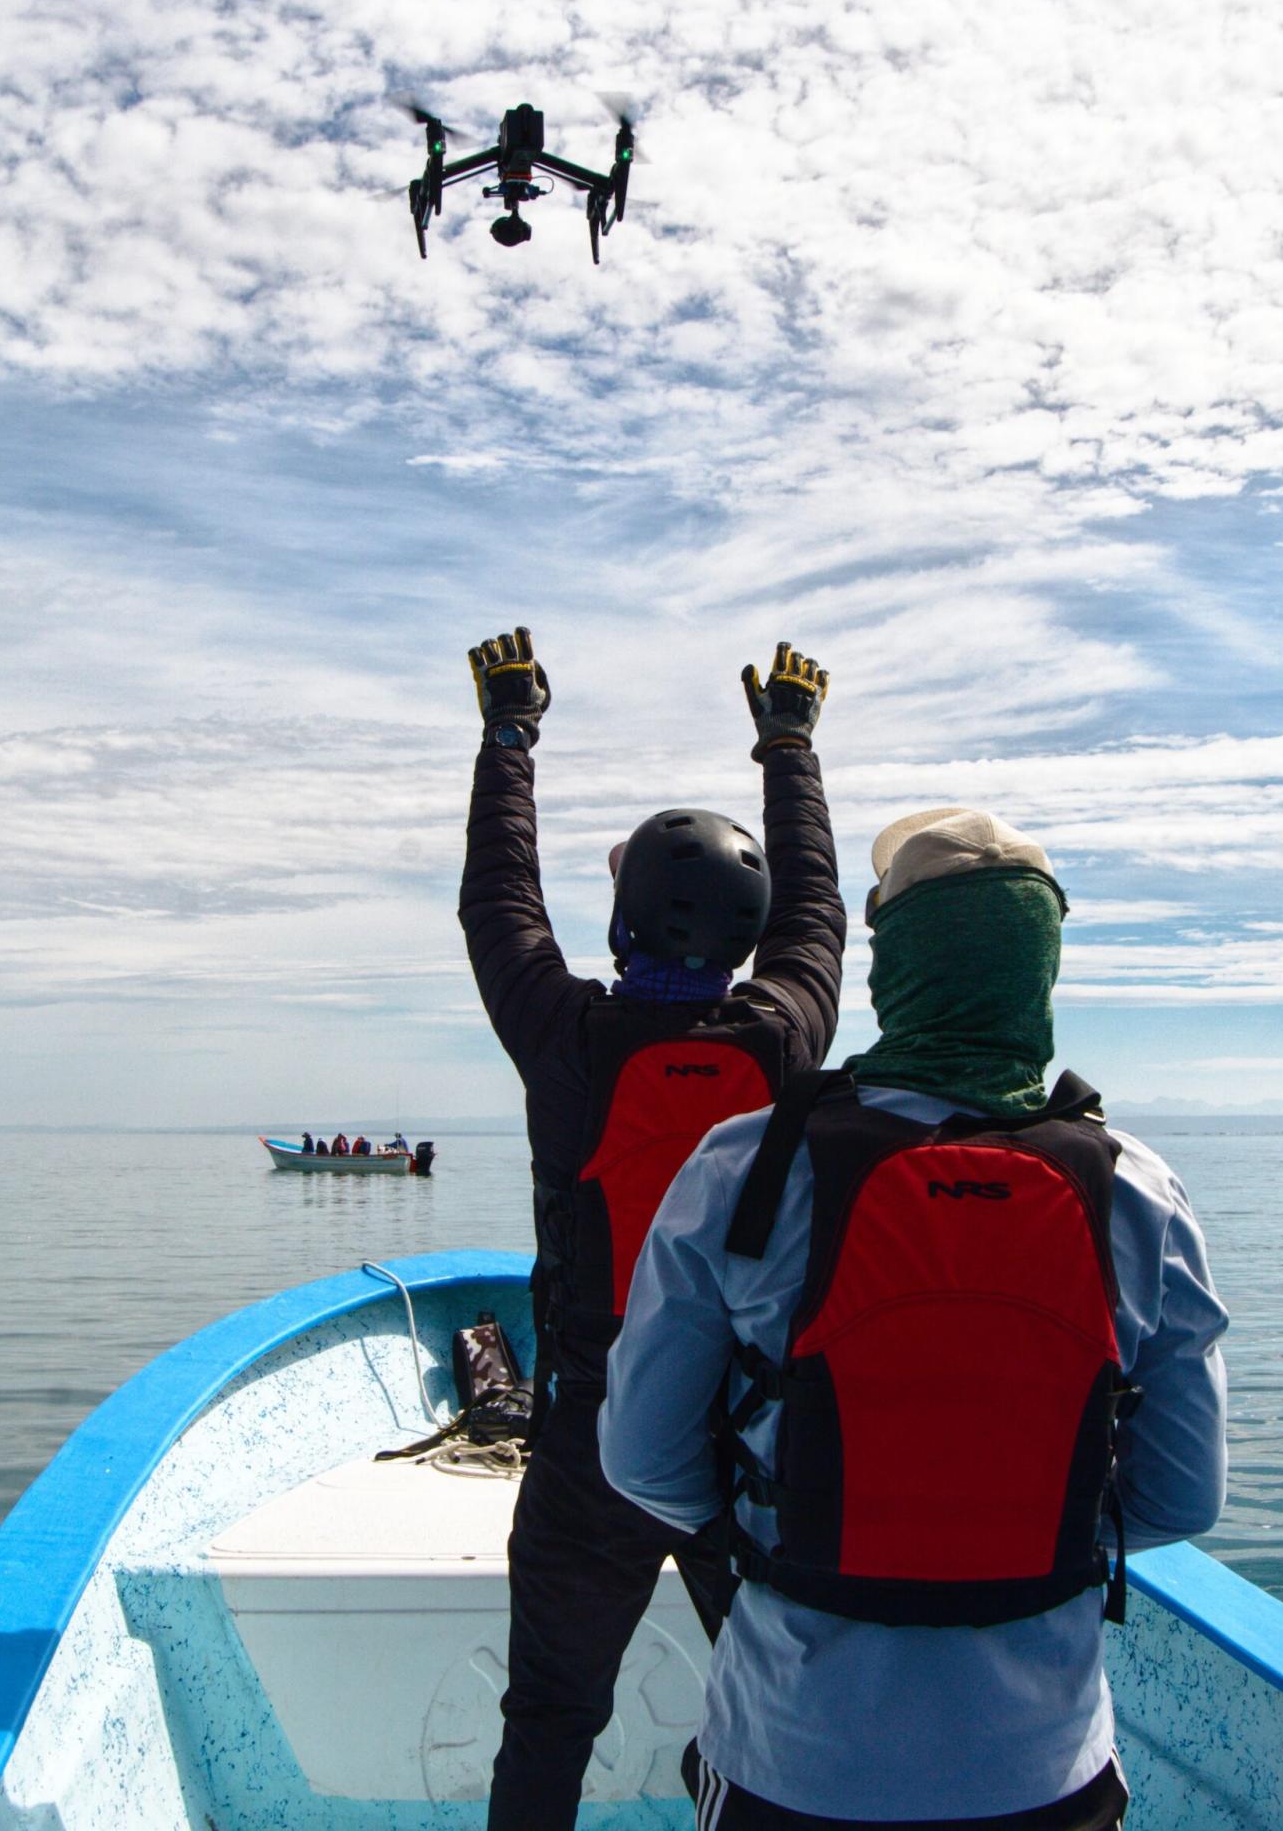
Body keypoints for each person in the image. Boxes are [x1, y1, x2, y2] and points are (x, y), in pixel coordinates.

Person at [601, 807, 1228, 1831]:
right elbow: (1176, 1500)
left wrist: (785, 1519)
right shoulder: (1140, 1193)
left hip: (789, 1756)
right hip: (1043, 1772)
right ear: (1038, 968)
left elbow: (643, 1463)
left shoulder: (742, 1164)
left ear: (895, 968)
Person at [460, 624, 846, 1831]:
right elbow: (819, 910)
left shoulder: (565, 1038)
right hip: (745, 1442)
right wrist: (788, 746)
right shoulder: (780, 1036)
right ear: (743, 934)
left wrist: (509, 734)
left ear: (623, 915)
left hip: (591, 1435)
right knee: (794, 1713)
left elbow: (496, 892)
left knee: (551, 1716)